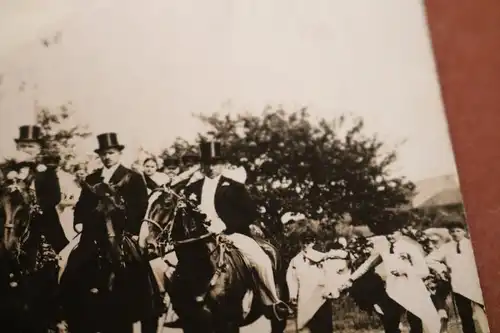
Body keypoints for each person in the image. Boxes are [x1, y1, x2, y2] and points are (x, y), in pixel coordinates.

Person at [182, 141, 291, 321]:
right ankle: (179, 306)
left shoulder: (234, 186)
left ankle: (272, 302)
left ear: (222, 164)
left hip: (232, 234)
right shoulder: (191, 189)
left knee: (261, 259)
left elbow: (250, 213)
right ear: (201, 165)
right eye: (207, 163)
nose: (210, 167)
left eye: (215, 163)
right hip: (199, 238)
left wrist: (225, 225)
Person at [341, 226, 441, 333]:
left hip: (412, 288)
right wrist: (351, 279)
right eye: (387, 233)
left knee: (416, 320)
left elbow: (424, 271)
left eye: (392, 233)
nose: (389, 236)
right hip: (393, 289)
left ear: (400, 232)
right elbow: (368, 265)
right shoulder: (383, 248)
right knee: (390, 320)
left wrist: (405, 271)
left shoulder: (410, 248)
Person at [6, 125, 69, 253]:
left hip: (41, 217)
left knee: (58, 251)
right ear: (18, 148)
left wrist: (36, 207)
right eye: (23, 146)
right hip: (13, 219)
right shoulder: (9, 170)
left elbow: (55, 196)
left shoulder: (47, 171)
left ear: (39, 149)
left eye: (31, 146)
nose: (27, 149)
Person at [426, 215, 490, 333]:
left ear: (464, 231)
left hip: (475, 284)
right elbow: (430, 259)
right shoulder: (446, 247)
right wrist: (442, 269)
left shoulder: (472, 244)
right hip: (458, 287)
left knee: (483, 315)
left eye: (458, 231)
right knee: (465, 316)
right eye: (452, 231)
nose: (455, 234)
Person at [57, 163, 87, 241]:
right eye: (78, 174)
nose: (81, 176)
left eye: (82, 174)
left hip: (83, 216)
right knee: (70, 239)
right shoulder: (67, 185)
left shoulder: (88, 187)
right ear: (74, 173)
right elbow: (61, 202)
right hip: (68, 215)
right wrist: (76, 203)